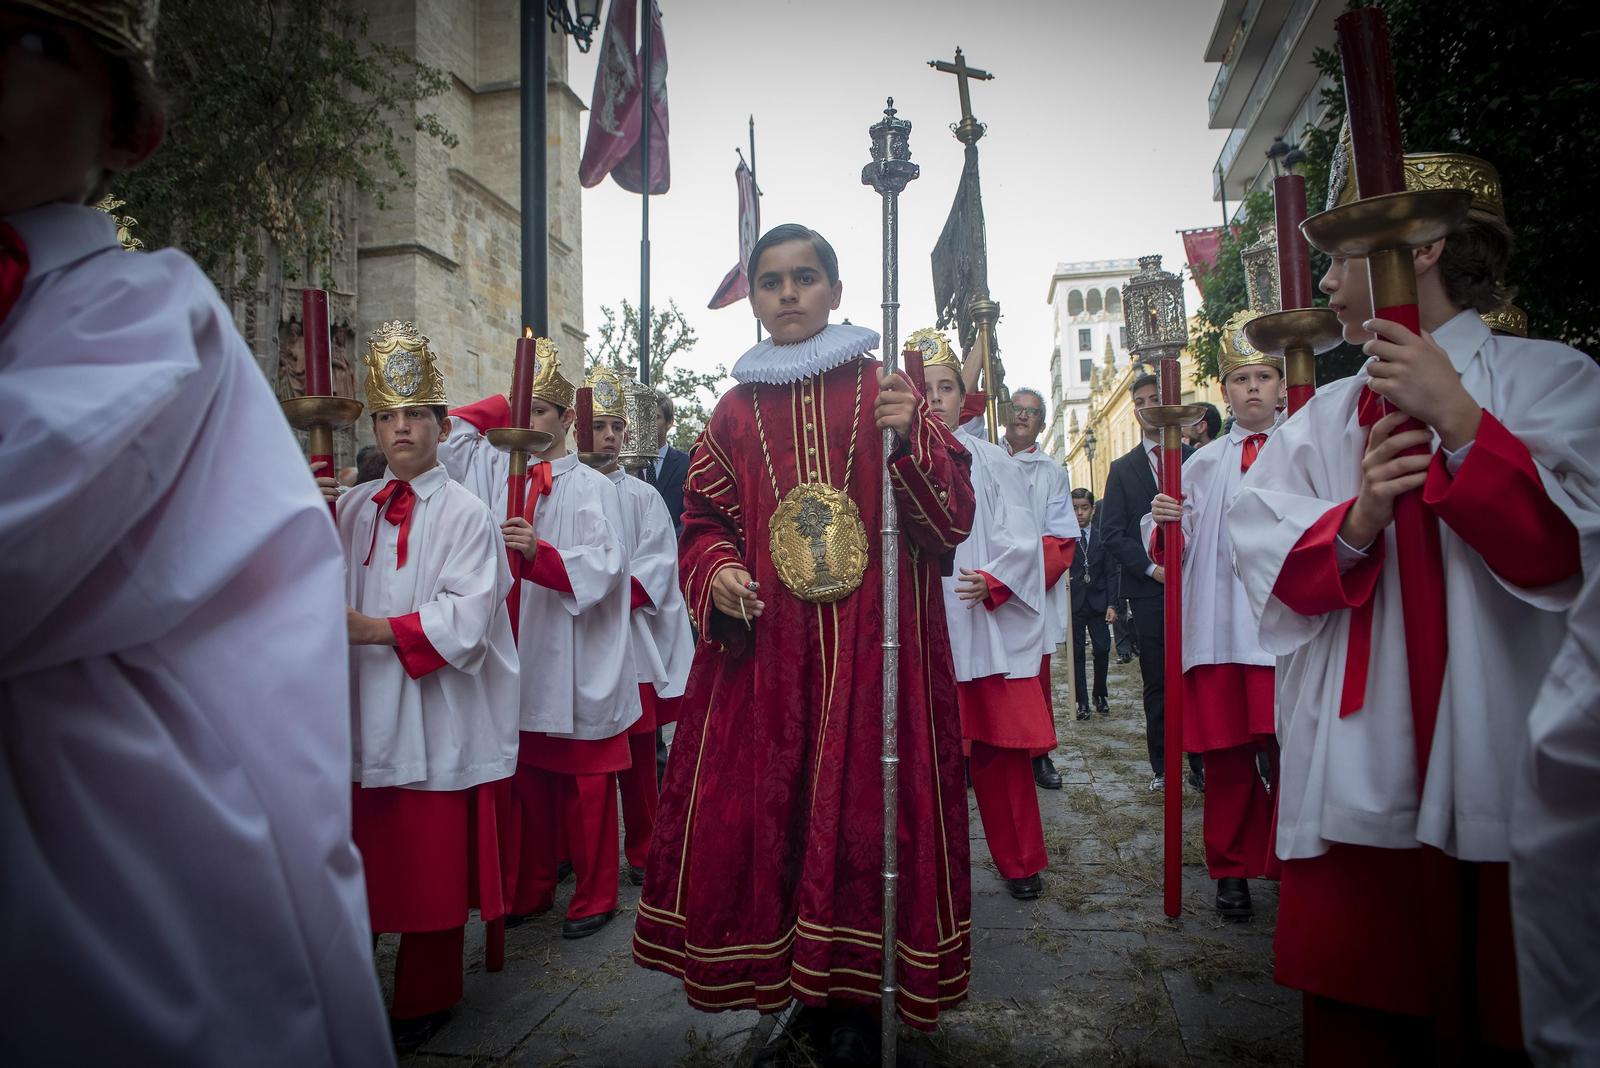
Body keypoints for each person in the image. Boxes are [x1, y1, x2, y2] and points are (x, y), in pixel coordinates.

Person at [0, 3, 393, 1061]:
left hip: (92, 843)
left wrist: (406, 631)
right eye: (384, 417)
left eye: (31, 39)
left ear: (130, 131)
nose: (394, 431)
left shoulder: (135, 304)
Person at [1228, 150, 1599, 1062]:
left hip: (1502, 734)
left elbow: (1571, 556)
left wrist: (1466, 429)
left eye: (1345, 250)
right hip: (1364, 757)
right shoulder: (1320, 419)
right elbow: (1264, 545)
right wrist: (1356, 519)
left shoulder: (1553, 381)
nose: (1323, 280)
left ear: (1418, 245)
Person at [634, 224, 975, 1063]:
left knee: (872, 816)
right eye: (772, 281)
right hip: (772, 664)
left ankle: (862, 1002)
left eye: (806, 277)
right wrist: (715, 572)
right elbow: (702, 521)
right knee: (774, 823)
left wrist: (915, 437)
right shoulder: (735, 410)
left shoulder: (883, 387)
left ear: (835, 290)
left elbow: (950, 523)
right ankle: (796, 994)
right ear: (753, 298)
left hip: (877, 653)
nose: (788, 293)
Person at [315, 323, 521, 1050]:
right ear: (374, 425)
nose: (400, 428)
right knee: (359, 858)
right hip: (358, 710)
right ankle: (345, 984)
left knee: (428, 861)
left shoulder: (468, 514)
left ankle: (425, 996)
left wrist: (368, 630)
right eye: (387, 417)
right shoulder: (351, 507)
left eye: (415, 415)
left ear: (439, 425)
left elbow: (466, 620)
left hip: (433, 711)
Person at [437, 352, 641, 941]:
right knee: (527, 782)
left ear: (567, 421)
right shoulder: (497, 471)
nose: (529, 420)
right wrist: (510, 403)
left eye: (542, 411)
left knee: (585, 783)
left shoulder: (592, 488)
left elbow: (607, 567)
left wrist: (540, 555)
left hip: (576, 653)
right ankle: (531, 888)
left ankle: (596, 891)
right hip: (518, 654)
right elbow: (450, 437)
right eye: (523, 410)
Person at [1144, 318, 1284, 920]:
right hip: (1222, 633)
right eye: (1241, 379)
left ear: (1283, 383)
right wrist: (1164, 519)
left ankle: (1293, 860)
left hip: (1288, 634)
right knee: (1227, 759)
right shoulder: (1198, 465)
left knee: (1295, 755)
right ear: (1223, 392)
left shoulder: (1311, 442)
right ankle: (1232, 871)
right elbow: (1171, 544)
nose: (1253, 388)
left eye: (1264, 376)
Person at [920, 332, 1054, 900]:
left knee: (999, 750)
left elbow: (1022, 537)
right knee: (921, 756)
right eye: (923, 389)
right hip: (917, 628)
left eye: (945, 387)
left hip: (978, 623)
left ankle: (1020, 860)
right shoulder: (880, 461)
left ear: (963, 396)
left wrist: (996, 579)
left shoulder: (993, 460)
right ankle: (927, 868)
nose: (934, 398)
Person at [587, 367, 693, 887]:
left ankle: (647, 847)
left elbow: (656, 562)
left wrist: (603, 597)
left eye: (615, 426)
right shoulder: (555, 487)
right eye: (597, 424)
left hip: (628, 637)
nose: (608, 435)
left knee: (639, 753)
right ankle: (580, 854)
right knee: (582, 755)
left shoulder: (643, 497)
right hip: (574, 640)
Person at [1097, 373, 1198, 791]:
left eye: (1155, 398)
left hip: (1197, 584)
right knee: (1158, 678)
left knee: (1197, 672)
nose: (1148, 406)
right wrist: (1150, 569)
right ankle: (1163, 767)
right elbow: (1112, 532)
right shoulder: (1122, 470)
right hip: (1151, 588)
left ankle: (1203, 762)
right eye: (1140, 401)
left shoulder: (1198, 458)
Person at [997, 384, 1078, 790]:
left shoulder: (1052, 472)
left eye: (1031, 412)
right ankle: (973, 753)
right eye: (1016, 408)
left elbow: (1062, 538)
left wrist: (1017, 580)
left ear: (1042, 425)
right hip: (985, 589)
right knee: (984, 672)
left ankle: (1038, 754)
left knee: (1033, 677)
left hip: (1031, 595)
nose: (1022, 415)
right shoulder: (983, 456)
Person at [1070, 489, 1112, 720]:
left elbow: (1111, 573)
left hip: (1098, 603)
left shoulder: (1101, 536)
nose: (1079, 513)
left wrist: (1113, 604)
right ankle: (1082, 701)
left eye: (1084, 508)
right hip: (1075, 603)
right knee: (1077, 654)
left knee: (1102, 649)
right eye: (1075, 508)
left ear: (1092, 509)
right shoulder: (1065, 538)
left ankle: (1100, 694)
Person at [652, 391, 689, 536]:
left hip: (674, 550)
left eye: (655, 417)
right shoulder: (628, 465)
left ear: (669, 422)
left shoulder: (686, 464)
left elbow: (690, 513)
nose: (648, 424)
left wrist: (668, 545)